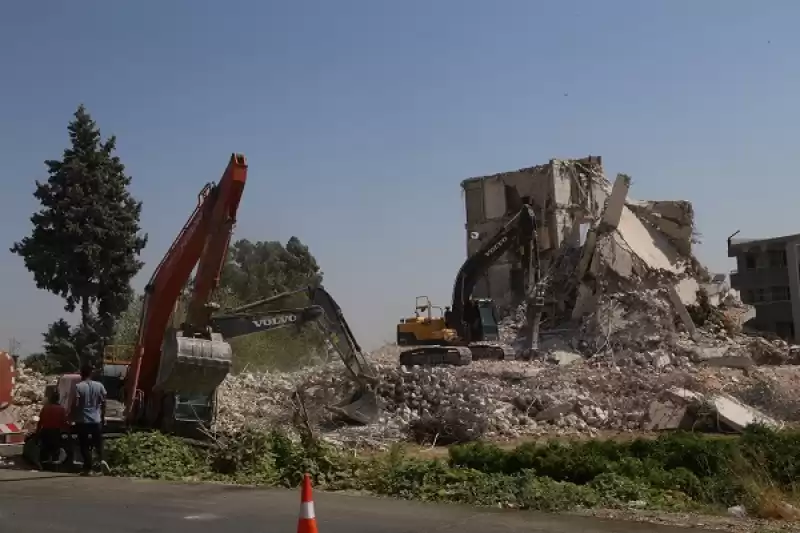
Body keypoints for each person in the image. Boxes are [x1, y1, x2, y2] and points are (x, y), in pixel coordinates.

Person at [72, 364, 110, 475]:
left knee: (84, 445)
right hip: (96, 420)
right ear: (91, 374)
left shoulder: (78, 387)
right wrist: (103, 416)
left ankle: (88, 468)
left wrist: (73, 416)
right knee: (98, 443)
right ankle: (102, 460)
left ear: (81, 374)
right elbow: (104, 402)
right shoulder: (100, 386)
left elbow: (76, 404)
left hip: (82, 420)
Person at [36, 390, 68, 468]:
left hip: (45, 431)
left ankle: (44, 464)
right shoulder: (61, 409)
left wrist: (37, 432)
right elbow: (64, 422)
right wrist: (66, 432)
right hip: (55, 432)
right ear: (58, 399)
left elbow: (40, 422)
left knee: (45, 449)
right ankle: (54, 465)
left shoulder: (45, 408)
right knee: (55, 449)